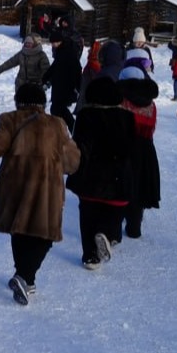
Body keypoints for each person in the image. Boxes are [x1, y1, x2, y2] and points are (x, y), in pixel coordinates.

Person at [0, 84, 81, 306]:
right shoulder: (57, 124)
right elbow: (71, 162)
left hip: (15, 185)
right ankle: (25, 277)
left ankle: (24, 277)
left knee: (19, 229)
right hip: (47, 188)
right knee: (45, 235)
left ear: (18, 100)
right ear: (43, 103)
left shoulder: (9, 120)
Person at [67, 77, 135, 270]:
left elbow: (79, 144)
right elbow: (131, 146)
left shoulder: (85, 115)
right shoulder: (126, 116)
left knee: (87, 212)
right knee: (115, 208)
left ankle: (90, 257)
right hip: (117, 173)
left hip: (89, 172)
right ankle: (107, 232)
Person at [116, 64, 161, 239]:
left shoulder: (120, 99)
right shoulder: (150, 102)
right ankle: (134, 227)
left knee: (120, 185)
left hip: (122, 147)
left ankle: (114, 227)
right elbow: (152, 128)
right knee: (139, 185)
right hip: (145, 149)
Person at [43, 31, 82, 133]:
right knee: (56, 109)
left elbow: (77, 69)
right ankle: (60, 130)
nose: (52, 45)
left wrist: (79, 86)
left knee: (57, 109)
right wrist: (44, 78)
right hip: (58, 85)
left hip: (66, 86)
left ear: (59, 41)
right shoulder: (60, 51)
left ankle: (72, 128)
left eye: (54, 43)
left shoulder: (69, 51)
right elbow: (54, 67)